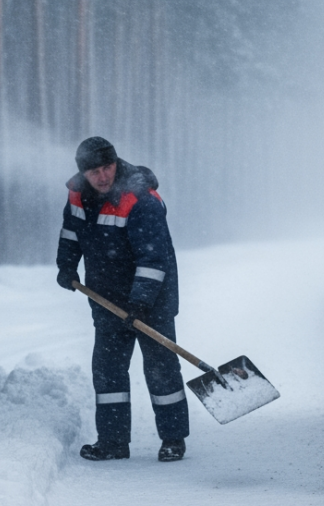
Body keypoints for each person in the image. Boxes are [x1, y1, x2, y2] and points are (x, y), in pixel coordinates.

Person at [56, 136, 188, 462]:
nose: (103, 176)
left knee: (160, 368)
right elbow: (71, 232)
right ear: (83, 173)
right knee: (108, 370)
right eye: (94, 171)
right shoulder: (78, 197)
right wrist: (66, 265)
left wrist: (140, 302)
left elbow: (154, 258)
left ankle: (173, 439)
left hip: (152, 298)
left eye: (108, 167)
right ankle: (113, 442)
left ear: (116, 163)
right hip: (106, 297)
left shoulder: (140, 199)